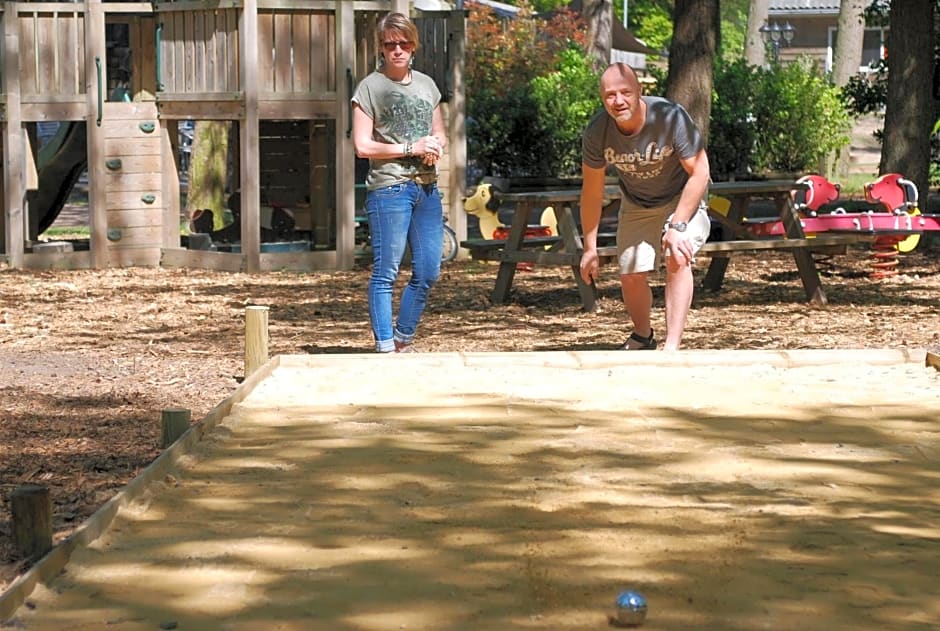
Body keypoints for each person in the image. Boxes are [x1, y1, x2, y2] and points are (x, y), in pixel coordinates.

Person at [579, 63, 711, 351]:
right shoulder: (597, 132)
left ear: (640, 91)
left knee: (677, 252)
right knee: (631, 274)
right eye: (610, 95)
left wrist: (677, 225)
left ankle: (671, 347)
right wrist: (589, 248)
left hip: (681, 197)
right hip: (637, 202)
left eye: (625, 92)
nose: (618, 101)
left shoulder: (669, 117)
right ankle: (643, 335)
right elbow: (591, 191)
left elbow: (700, 172)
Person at [351, 12, 447, 353]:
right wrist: (409, 148)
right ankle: (385, 347)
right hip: (389, 189)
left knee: (428, 271)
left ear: (413, 46)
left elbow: (439, 133)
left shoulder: (427, 85)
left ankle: (404, 338)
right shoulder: (369, 88)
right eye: (390, 44)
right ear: (381, 48)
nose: (397, 50)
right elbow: (362, 146)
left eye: (403, 43)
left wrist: (435, 147)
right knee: (386, 272)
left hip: (426, 188)